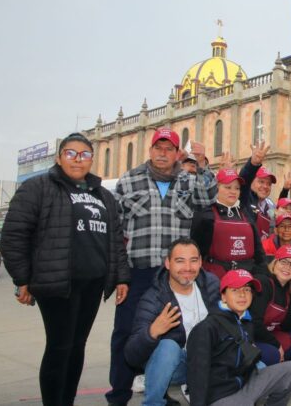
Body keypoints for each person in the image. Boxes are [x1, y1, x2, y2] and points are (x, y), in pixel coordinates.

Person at [0, 132, 131, 406]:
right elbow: (14, 235)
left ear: (92, 160)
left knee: (77, 347)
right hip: (59, 283)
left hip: (92, 283)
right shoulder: (39, 187)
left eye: (84, 154)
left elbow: (115, 240)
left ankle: (66, 400)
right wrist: (22, 278)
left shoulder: (103, 195)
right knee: (60, 346)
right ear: (59, 157)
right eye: (70, 153)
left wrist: (120, 277)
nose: (77, 159)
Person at [107, 128, 216, 406]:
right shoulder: (129, 180)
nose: (163, 153)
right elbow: (114, 232)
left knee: (169, 334)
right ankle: (118, 394)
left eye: (169, 149)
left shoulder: (187, 180)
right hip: (138, 271)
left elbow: (208, 198)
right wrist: (119, 275)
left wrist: (202, 164)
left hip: (173, 275)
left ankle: (161, 391)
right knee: (126, 333)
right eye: (159, 147)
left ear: (178, 153)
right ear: (150, 149)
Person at [124, 238, 220, 406]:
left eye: (193, 261)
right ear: (168, 263)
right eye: (180, 261)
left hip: (210, 359)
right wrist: (152, 332)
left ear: (200, 262)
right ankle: (153, 402)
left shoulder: (212, 284)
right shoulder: (153, 298)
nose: (188, 268)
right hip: (181, 365)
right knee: (167, 347)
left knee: (259, 364)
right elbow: (131, 355)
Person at [186, 269, 291, 406]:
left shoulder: (245, 322)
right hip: (221, 395)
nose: (242, 295)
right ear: (223, 296)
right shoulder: (206, 328)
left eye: (247, 289)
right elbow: (197, 375)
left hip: (244, 384)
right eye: (235, 290)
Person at [192, 168, 267, 279]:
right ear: (217, 188)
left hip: (246, 278)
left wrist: (262, 276)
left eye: (237, 188)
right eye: (228, 187)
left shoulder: (246, 215)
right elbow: (196, 252)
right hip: (216, 278)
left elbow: (259, 253)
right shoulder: (206, 215)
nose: (233, 191)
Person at [239, 142, 276, 242]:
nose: (265, 186)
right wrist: (253, 164)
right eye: (261, 181)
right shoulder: (244, 198)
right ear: (251, 181)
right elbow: (244, 180)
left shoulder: (270, 205)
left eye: (269, 184)